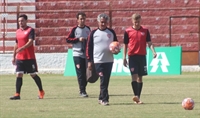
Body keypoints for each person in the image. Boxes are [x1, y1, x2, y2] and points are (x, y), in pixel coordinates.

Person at [123, 13, 157, 104]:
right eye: (135, 22)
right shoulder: (128, 31)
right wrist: (124, 57)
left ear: (140, 21)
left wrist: (153, 51)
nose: (137, 24)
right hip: (132, 56)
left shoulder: (145, 31)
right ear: (132, 21)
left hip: (142, 56)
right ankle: (136, 96)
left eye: (138, 22)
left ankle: (138, 97)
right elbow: (125, 45)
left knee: (140, 78)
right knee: (134, 76)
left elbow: (149, 42)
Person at [86, 13, 119, 106]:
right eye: (101, 22)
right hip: (98, 61)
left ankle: (101, 97)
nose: (103, 24)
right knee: (103, 79)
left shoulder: (111, 32)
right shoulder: (93, 33)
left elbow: (116, 45)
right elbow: (89, 47)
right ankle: (105, 99)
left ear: (107, 22)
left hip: (109, 60)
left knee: (106, 80)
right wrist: (89, 60)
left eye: (105, 22)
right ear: (98, 22)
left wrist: (116, 51)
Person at [10, 14, 45, 100]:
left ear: (26, 21)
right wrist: (14, 56)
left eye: (22, 21)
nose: (20, 22)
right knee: (19, 74)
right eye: (19, 21)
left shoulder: (30, 30)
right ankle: (17, 94)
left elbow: (30, 42)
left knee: (33, 74)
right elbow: (16, 44)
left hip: (29, 57)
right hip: (20, 58)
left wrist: (22, 48)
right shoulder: (17, 31)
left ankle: (41, 91)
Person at [66, 12, 91, 97]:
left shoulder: (88, 29)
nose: (82, 20)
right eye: (81, 19)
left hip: (86, 54)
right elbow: (68, 39)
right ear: (77, 20)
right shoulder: (74, 29)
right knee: (80, 73)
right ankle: (82, 91)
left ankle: (83, 88)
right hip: (77, 54)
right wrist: (78, 39)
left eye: (84, 19)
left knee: (86, 73)